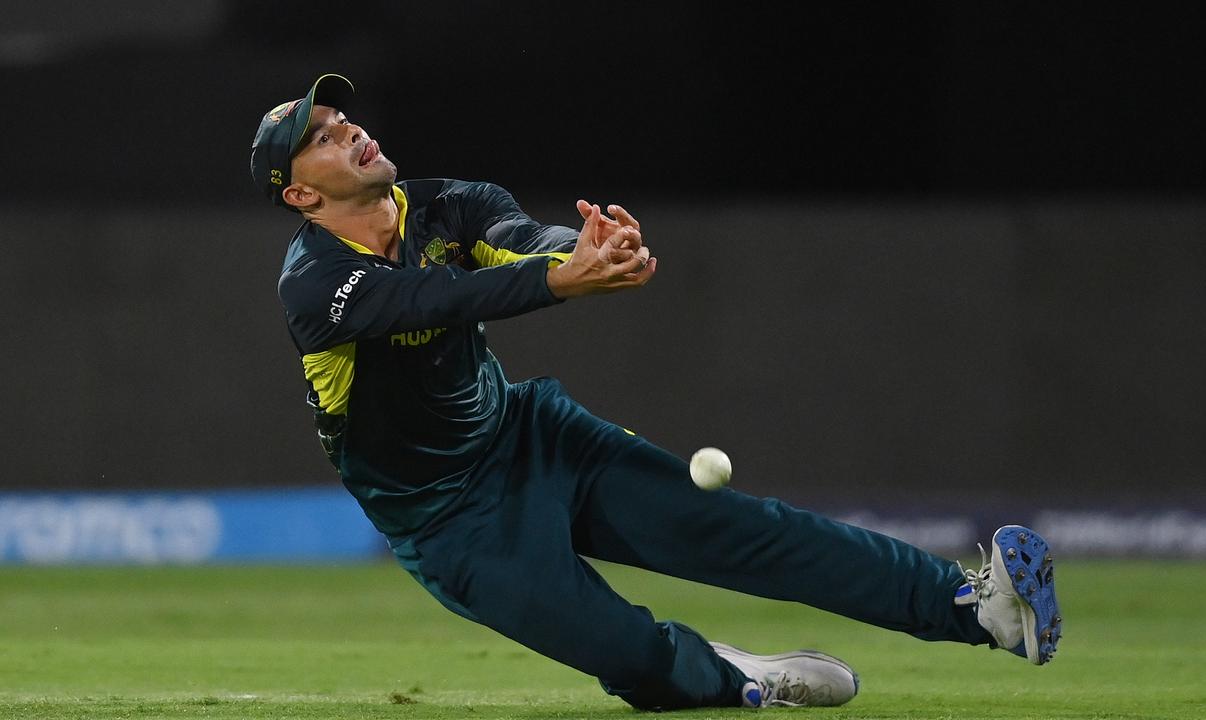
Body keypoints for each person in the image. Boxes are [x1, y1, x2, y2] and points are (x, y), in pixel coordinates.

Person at [249, 74, 1062, 711]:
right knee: (629, 658)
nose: (348, 129)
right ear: (301, 195)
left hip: (532, 440)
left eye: (342, 118)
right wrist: (566, 284)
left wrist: (590, 249)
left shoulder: (448, 205)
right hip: (447, 521)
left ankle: (974, 607)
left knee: (743, 531)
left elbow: (523, 245)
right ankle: (725, 677)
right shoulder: (315, 283)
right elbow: (433, 301)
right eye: (321, 138)